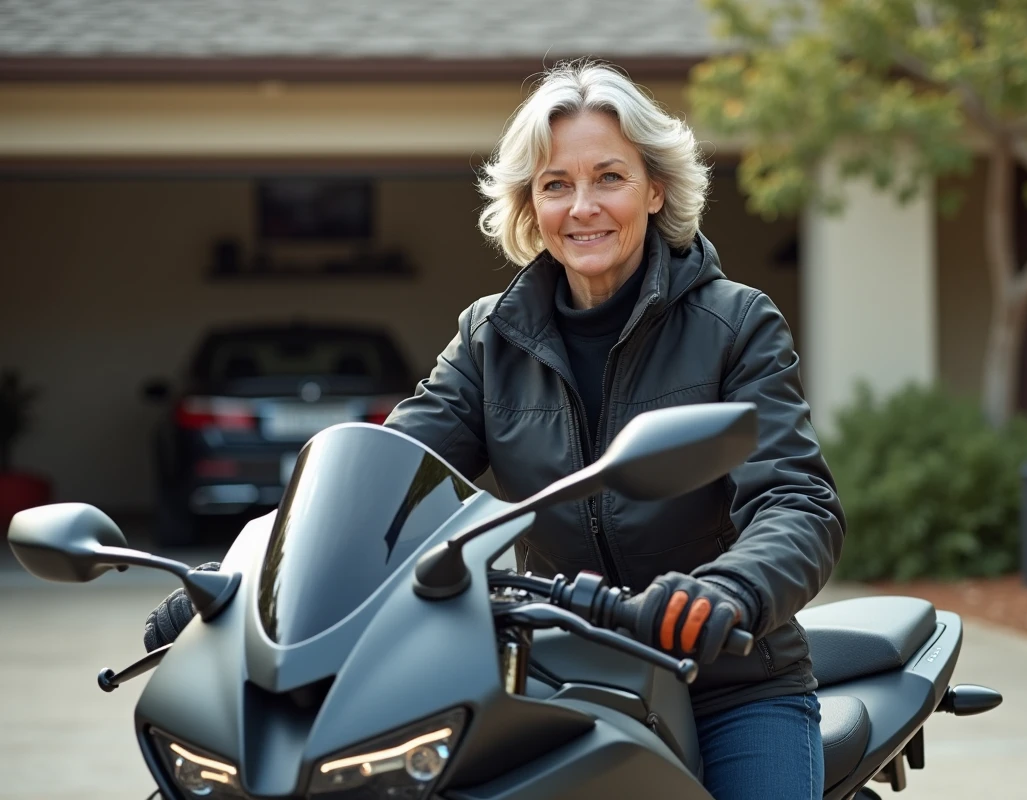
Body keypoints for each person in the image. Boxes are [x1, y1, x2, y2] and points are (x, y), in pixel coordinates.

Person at [144, 61, 845, 799]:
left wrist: (728, 591)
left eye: (609, 177)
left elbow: (798, 503)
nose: (583, 208)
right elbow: (381, 476)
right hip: (561, 673)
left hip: (729, 679)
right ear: (529, 205)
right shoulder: (489, 338)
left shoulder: (735, 324)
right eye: (555, 185)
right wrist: (240, 586)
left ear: (655, 189)